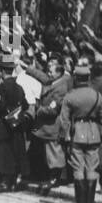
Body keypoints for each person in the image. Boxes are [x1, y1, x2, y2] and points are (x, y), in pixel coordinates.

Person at [58, 63, 102, 203]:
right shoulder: (97, 95)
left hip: (77, 134)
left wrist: (65, 136)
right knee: (92, 168)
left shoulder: (70, 96)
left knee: (78, 168)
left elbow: (64, 120)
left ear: (75, 78)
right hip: (93, 134)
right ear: (87, 78)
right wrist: (99, 132)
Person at [0, 54, 29, 191]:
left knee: (3, 153)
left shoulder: (1, 87)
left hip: (3, 125)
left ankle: (3, 182)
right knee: (15, 152)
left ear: (2, 71)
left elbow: (0, 106)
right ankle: (13, 182)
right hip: (16, 124)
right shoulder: (19, 87)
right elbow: (25, 105)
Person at [31, 57, 71, 195]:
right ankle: (50, 177)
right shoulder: (55, 81)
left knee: (54, 153)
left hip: (52, 126)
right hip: (47, 126)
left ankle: (55, 178)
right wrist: (27, 67)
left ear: (59, 72)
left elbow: (53, 109)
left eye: (51, 71)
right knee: (49, 154)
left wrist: (38, 109)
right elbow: (42, 76)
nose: (49, 73)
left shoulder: (61, 88)